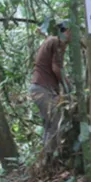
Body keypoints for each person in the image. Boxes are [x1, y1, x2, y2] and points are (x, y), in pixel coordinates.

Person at [29, 21, 71, 154]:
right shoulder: (58, 41)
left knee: (49, 124)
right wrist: (68, 86)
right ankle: (51, 158)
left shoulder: (52, 40)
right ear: (67, 31)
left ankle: (46, 160)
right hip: (43, 88)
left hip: (40, 88)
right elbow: (56, 68)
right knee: (56, 120)